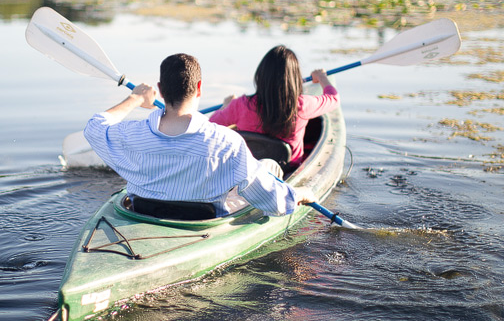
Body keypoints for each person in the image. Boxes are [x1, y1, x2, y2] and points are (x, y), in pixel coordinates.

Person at [83, 53, 317, 218]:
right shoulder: (227, 142)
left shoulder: (132, 134)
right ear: (199, 88)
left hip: (144, 213)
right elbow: (275, 204)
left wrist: (135, 99)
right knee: (267, 166)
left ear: (161, 90)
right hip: (200, 222)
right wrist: (299, 194)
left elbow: (94, 127)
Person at [209, 45, 339, 171]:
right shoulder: (303, 105)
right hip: (287, 169)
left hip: (249, 168)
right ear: (295, 79)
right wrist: (322, 78)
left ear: (260, 76)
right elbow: (334, 99)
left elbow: (211, 124)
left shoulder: (240, 105)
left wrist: (225, 106)